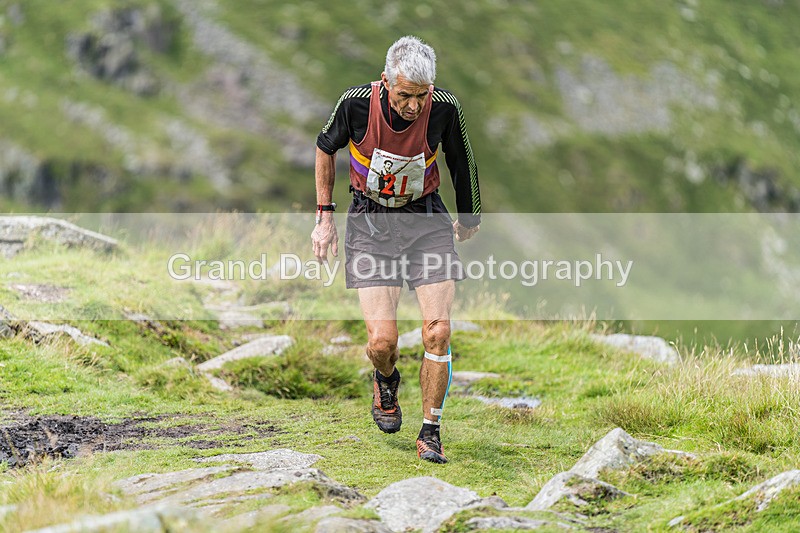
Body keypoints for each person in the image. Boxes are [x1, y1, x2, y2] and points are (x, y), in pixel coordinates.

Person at [312, 36, 481, 464]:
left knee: (438, 331)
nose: (414, 105)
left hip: (427, 222)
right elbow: (324, 147)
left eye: (421, 96)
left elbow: (462, 160)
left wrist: (469, 217)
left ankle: (430, 430)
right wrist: (325, 216)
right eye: (405, 95)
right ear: (386, 81)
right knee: (382, 341)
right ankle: (386, 379)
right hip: (370, 225)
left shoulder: (443, 108)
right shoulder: (354, 105)